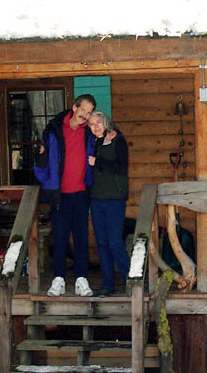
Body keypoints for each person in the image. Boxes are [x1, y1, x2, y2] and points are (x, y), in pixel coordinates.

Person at [34, 94, 97, 297]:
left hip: (81, 193)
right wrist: (47, 183)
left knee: (81, 238)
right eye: (83, 111)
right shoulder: (54, 130)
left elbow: (110, 134)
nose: (85, 116)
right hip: (60, 194)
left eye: (89, 113)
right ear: (74, 107)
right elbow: (42, 162)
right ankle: (58, 280)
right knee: (60, 238)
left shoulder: (90, 131)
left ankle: (81, 279)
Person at [88, 111, 130, 297]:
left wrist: (98, 162)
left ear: (106, 123)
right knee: (102, 243)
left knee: (114, 242)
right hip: (96, 199)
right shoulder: (96, 143)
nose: (95, 126)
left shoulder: (118, 141)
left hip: (114, 199)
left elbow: (121, 167)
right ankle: (108, 285)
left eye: (98, 122)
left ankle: (132, 279)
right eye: (91, 124)